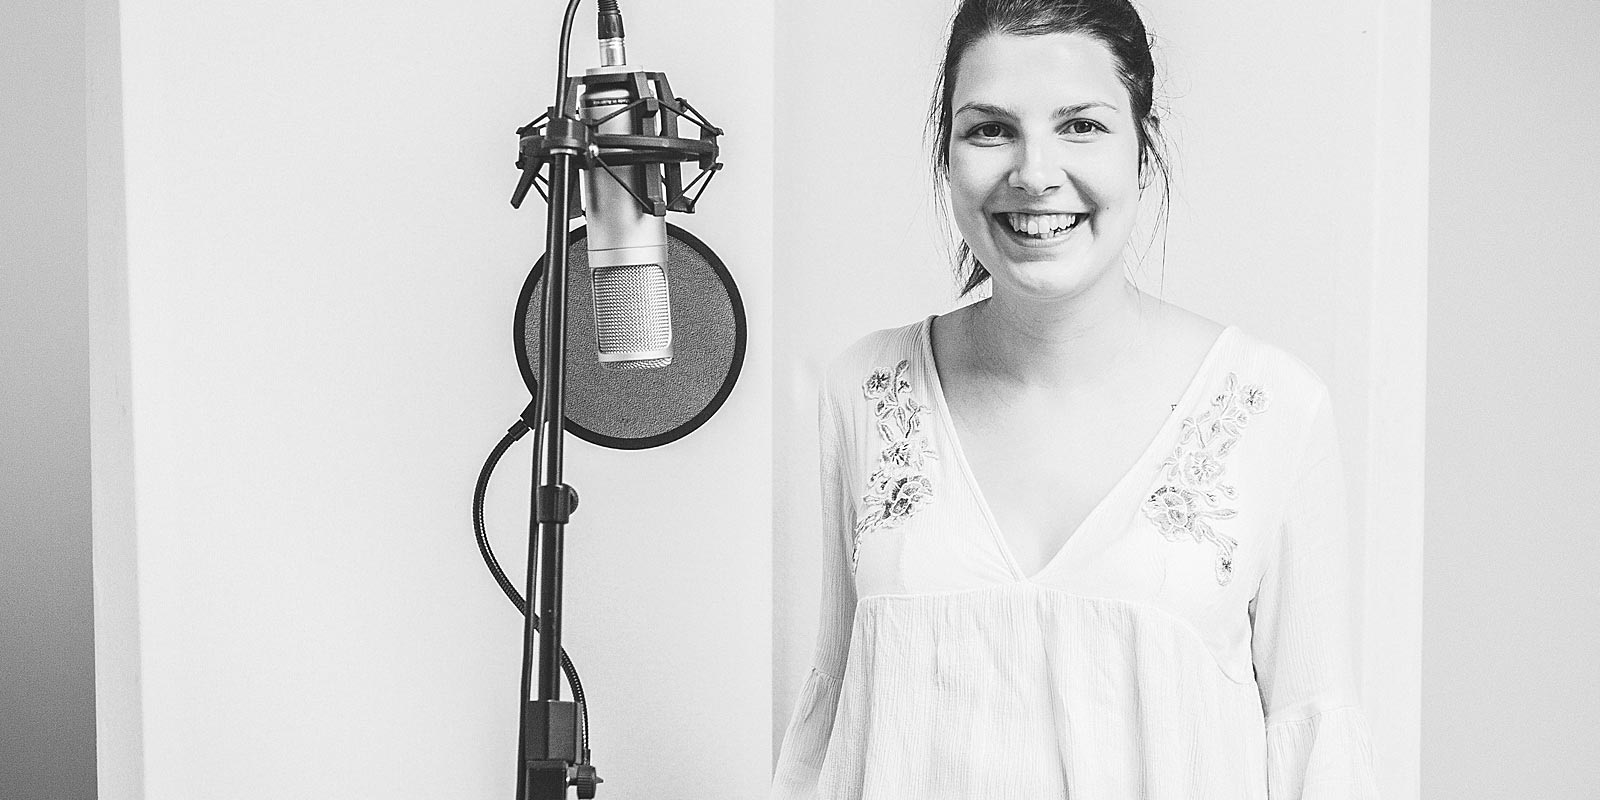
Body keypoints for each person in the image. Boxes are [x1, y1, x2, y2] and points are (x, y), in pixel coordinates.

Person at [771, 0, 1383, 797]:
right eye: (990, 129)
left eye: (1082, 126)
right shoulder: (865, 390)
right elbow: (835, 733)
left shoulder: (1272, 407)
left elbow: (1316, 751)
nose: (1033, 172)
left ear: (1143, 147)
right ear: (946, 153)